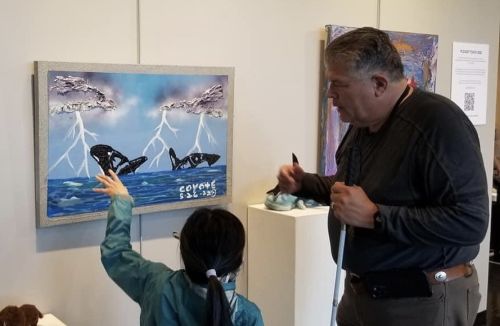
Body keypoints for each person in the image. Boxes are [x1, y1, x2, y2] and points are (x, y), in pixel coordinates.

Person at [277, 27, 488, 326]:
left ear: (378, 84)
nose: (330, 94)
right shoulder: (364, 122)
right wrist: (304, 183)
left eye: (338, 84)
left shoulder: (439, 123)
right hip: (366, 297)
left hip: (420, 303)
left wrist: (376, 216)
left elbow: (471, 222)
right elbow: (353, 190)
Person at [94, 170, 263, 326]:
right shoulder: (248, 316)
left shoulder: (158, 284)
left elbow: (115, 253)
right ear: (238, 262)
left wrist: (121, 201)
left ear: (184, 251)